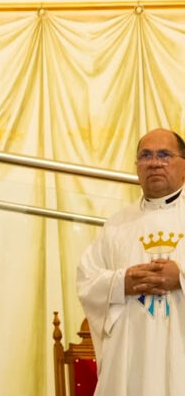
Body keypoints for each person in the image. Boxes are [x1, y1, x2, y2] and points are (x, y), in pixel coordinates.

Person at [77, 128, 185, 396]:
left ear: (184, 164)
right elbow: (87, 281)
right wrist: (120, 282)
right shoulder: (116, 225)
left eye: (164, 155)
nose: (154, 162)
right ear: (137, 167)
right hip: (131, 355)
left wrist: (180, 277)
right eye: (145, 156)